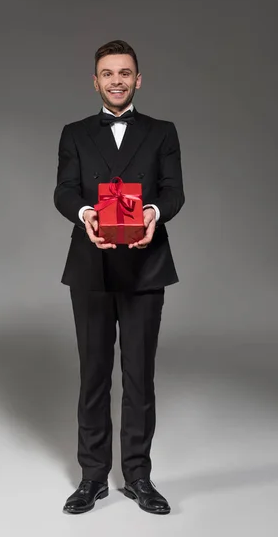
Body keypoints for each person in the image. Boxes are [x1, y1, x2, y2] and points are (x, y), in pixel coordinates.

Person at [54, 40, 185, 515]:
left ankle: (138, 476)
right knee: (93, 376)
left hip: (146, 268)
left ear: (138, 79)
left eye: (124, 73)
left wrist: (152, 212)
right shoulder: (74, 132)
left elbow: (174, 191)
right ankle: (92, 477)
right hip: (89, 269)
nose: (116, 80)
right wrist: (87, 215)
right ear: (95, 81)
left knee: (139, 376)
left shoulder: (162, 132)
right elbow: (64, 191)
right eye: (107, 73)